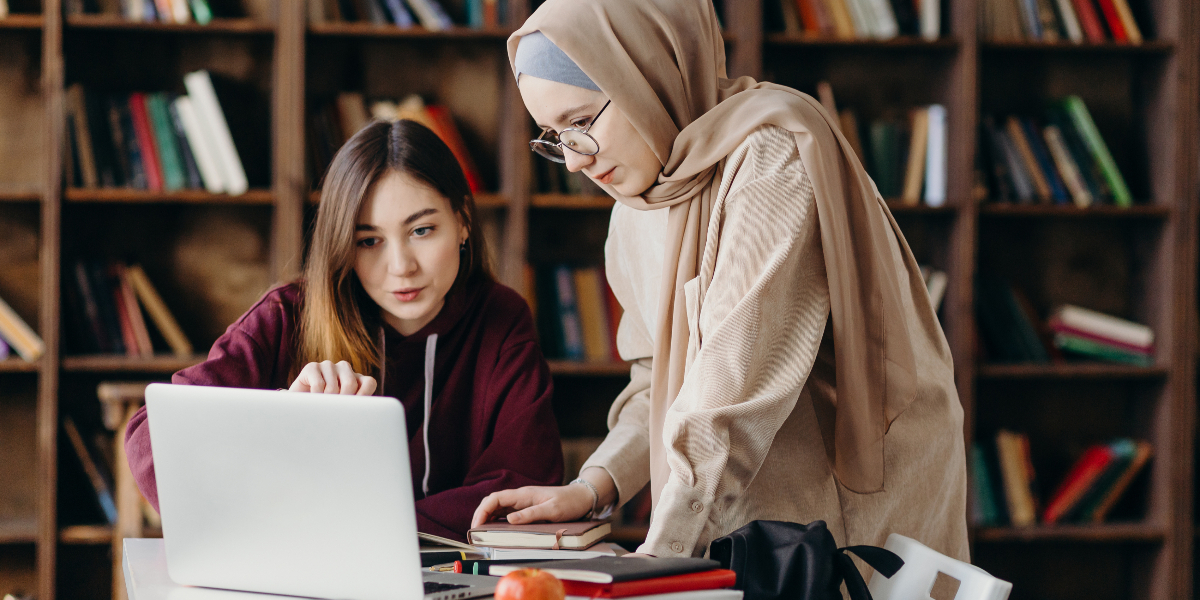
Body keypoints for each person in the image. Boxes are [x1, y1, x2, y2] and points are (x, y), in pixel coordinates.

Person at [472, 0, 969, 565]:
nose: (576, 161)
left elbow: (727, 399)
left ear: (643, 72)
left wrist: (657, 564)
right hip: (751, 515)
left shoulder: (773, 156)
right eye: (553, 136)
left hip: (850, 513)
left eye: (582, 122)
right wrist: (593, 488)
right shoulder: (634, 207)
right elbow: (656, 381)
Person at [125, 119, 564, 542]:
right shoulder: (287, 315)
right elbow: (151, 444)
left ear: (463, 221)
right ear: (342, 244)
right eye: (368, 241)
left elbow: (525, 487)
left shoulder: (501, 319)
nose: (401, 267)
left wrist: (348, 526)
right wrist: (278, 418)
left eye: (422, 230)